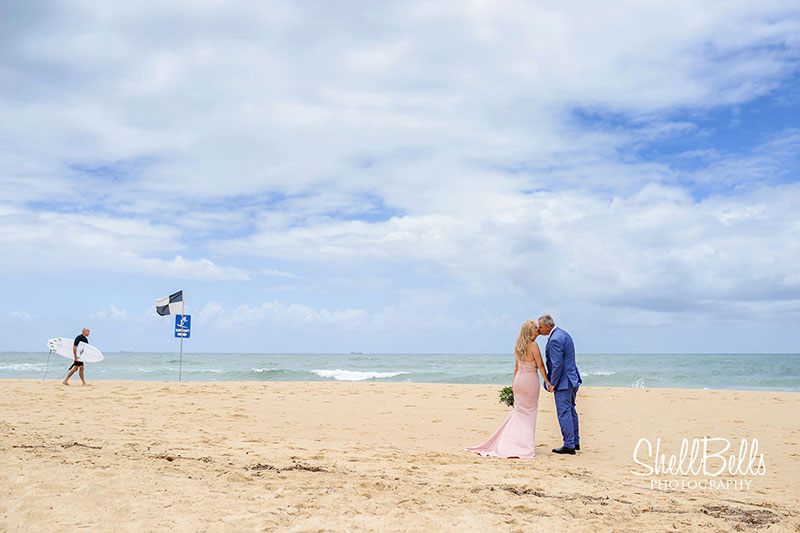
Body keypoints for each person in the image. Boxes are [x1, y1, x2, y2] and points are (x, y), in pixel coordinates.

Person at [466, 321, 552, 458]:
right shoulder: (534, 346)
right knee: (529, 414)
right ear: (530, 332)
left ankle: (513, 442)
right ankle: (523, 445)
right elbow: (540, 366)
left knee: (518, 412)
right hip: (530, 382)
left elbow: (516, 367)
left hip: (519, 381)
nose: (537, 330)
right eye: (535, 328)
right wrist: (548, 381)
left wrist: (513, 384)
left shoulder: (518, 346)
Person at [537, 314, 581, 455]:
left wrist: (552, 383)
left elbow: (557, 364)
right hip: (572, 378)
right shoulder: (563, 334)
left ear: (549, 326)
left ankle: (569, 445)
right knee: (571, 409)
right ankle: (575, 441)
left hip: (564, 381)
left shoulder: (555, 339)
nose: (539, 329)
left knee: (564, 412)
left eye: (541, 327)